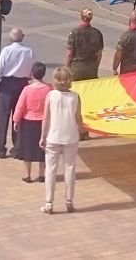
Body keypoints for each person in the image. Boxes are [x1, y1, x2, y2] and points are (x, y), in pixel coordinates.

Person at [40, 66, 85, 214]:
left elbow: (45, 118)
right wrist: (83, 128)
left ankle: (49, 202)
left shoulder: (51, 95)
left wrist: (42, 136)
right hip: (71, 135)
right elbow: (78, 117)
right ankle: (69, 200)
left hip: (53, 136)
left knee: (51, 169)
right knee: (70, 168)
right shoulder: (75, 96)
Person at [0, 27, 35, 159]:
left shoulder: (6, 50)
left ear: (10, 38)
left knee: (1, 117)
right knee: (19, 116)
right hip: (22, 84)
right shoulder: (29, 51)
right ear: (23, 37)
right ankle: (18, 148)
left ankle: (0, 149)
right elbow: (32, 69)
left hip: (6, 85)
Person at [13, 61, 51, 183]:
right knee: (43, 149)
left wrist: (16, 120)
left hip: (28, 121)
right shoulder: (49, 88)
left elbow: (20, 106)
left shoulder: (27, 89)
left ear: (32, 74)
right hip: (44, 122)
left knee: (27, 148)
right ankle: (42, 175)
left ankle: (27, 175)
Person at [65, 8, 104, 81]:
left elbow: (69, 53)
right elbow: (99, 54)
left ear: (81, 17)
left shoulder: (74, 32)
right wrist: (95, 66)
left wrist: (67, 66)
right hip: (91, 68)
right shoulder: (97, 33)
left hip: (77, 68)